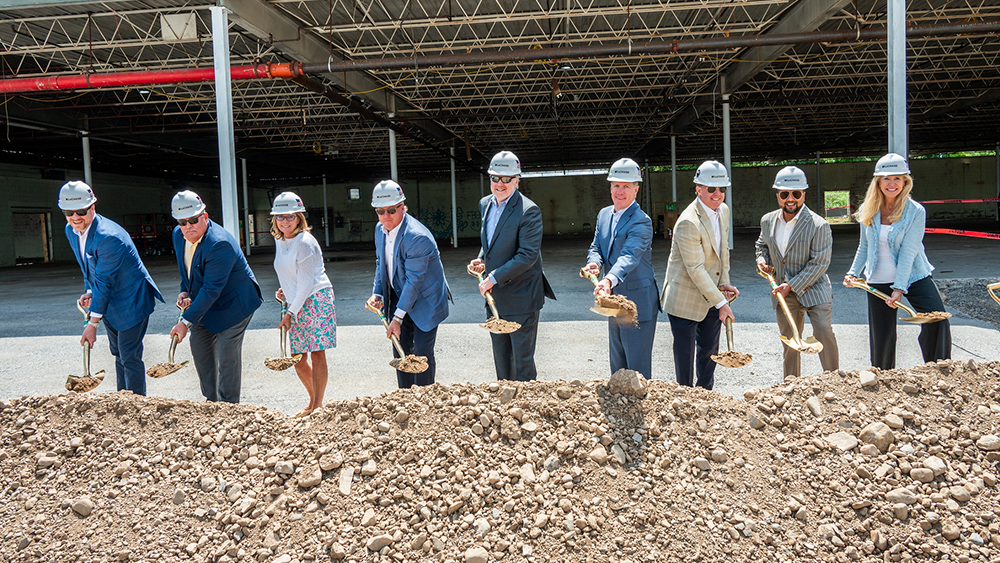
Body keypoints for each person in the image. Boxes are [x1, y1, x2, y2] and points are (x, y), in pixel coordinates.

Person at [844, 153, 951, 369]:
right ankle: (883, 378)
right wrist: (853, 272)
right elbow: (864, 246)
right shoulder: (869, 209)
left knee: (937, 319)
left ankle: (938, 370)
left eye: (897, 178)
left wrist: (900, 287)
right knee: (882, 335)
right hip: (878, 278)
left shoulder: (915, 211)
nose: (892, 184)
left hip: (913, 276)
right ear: (878, 182)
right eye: (886, 178)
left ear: (905, 181)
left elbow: (909, 251)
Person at [58, 181, 164, 395]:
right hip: (109, 300)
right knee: (118, 353)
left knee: (129, 354)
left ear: (93, 208)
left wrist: (93, 324)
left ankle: (136, 404)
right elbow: (89, 268)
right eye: (69, 212)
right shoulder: (71, 230)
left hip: (131, 299)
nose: (75, 217)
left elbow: (105, 281)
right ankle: (121, 400)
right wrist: (89, 291)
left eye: (81, 211)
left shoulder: (108, 237)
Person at [469, 151, 556, 382]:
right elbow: (491, 241)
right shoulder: (485, 204)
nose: (500, 184)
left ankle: (525, 410)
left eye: (506, 179)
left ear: (517, 180)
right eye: (495, 178)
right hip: (495, 297)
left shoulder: (529, 211)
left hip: (521, 297)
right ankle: (506, 411)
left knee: (522, 364)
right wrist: (481, 259)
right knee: (502, 360)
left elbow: (527, 255)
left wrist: (493, 276)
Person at [168, 190, 262, 403]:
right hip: (205, 302)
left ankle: (229, 408)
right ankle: (212, 404)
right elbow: (187, 270)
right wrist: (185, 290)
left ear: (205, 216)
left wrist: (184, 322)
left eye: (193, 219)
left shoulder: (220, 244)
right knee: (200, 350)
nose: (188, 226)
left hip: (234, 304)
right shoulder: (178, 235)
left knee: (226, 354)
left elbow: (212, 289)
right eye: (183, 222)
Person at [659, 160, 739, 390]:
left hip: (712, 292)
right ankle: (684, 399)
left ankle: (706, 396)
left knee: (709, 351)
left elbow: (723, 250)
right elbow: (695, 269)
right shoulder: (687, 222)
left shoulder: (723, 210)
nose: (717, 194)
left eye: (722, 189)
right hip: (685, 297)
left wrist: (724, 282)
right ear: (698, 188)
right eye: (711, 188)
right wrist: (722, 302)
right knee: (685, 357)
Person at [755, 166, 839, 378]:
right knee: (790, 341)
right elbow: (761, 245)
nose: (790, 199)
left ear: (804, 195)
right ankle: (791, 384)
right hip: (784, 293)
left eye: (796, 194)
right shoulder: (767, 221)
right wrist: (762, 261)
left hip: (814, 288)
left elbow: (820, 263)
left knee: (822, 331)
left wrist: (791, 285)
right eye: (784, 194)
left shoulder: (819, 225)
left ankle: (833, 380)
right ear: (778, 196)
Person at [366, 180, 451, 388]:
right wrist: (377, 294)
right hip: (400, 292)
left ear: (402, 206)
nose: (386, 216)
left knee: (421, 356)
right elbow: (381, 264)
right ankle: (404, 399)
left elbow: (414, 283)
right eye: (380, 211)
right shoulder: (380, 230)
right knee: (401, 350)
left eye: (391, 210)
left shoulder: (416, 237)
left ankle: (424, 401)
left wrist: (396, 318)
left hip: (426, 299)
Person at [584, 158, 660, 379]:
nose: (620, 191)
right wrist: (595, 263)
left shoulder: (641, 221)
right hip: (614, 301)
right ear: (610, 187)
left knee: (637, 371)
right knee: (617, 366)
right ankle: (621, 411)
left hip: (638, 303)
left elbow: (629, 256)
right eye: (616, 185)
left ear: (636, 189)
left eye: (626, 186)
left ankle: (638, 412)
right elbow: (596, 246)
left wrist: (607, 280)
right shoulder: (604, 214)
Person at [270, 192, 336, 417]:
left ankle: (318, 406)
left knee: (317, 354)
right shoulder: (280, 239)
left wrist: (290, 311)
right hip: (296, 301)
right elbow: (289, 271)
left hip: (316, 299)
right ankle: (312, 400)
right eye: (280, 217)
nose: (285, 221)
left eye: (290, 217)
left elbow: (308, 282)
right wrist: (286, 290)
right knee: (298, 358)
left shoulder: (305, 241)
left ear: (299, 218)